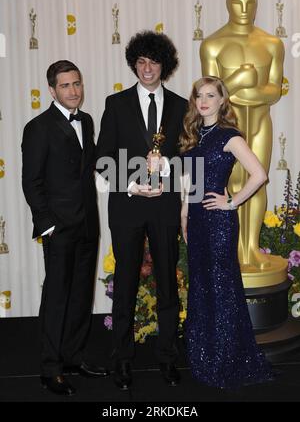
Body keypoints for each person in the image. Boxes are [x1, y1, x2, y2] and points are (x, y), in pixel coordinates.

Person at [96, 31, 187, 390]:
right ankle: (121, 359)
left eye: (154, 61)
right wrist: (131, 183)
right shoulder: (115, 103)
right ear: (134, 63)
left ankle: (168, 358)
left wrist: (165, 166)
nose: (147, 68)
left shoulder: (182, 105)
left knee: (168, 282)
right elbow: (103, 158)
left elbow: (188, 158)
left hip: (164, 207)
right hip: (127, 206)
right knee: (126, 285)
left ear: (165, 65)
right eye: (141, 61)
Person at [22, 60, 109, 396]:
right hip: (59, 228)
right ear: (52, 90)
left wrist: (138, 175)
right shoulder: (38, 127)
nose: (74, 91)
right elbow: (31, 182)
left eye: (77, 83)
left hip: (88, 222)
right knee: (57, 297)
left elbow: (98, 163)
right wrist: (47, 225)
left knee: (81, 294)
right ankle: (51, 367)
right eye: (66, 86)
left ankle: (73, 357)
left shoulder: (86, 121)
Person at [180, 76, 273, 389]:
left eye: (210, 95)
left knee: (222, 288)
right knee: (202, 285)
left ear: (222, 100)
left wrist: (231, 203)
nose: (204, 101)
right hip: (194, 217)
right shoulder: (193, 137)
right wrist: (183, 213)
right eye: (199, 96)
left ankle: (227, 358)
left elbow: (259, 174)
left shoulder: (229, 135)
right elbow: (189, 182)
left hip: (218, 222)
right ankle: (203, 356)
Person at [200, 0, 285, 274]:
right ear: (227, 3)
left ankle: (251, 248)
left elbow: (274, 90)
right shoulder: (212, 44)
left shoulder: (272, 43)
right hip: (227, 127)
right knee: (233, 184)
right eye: (238, 3)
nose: (245, 9)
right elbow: (209, 93)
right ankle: (235, 249)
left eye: (250, 3)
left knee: (257, 182)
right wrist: (239, 78)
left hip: (260, 122)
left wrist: (245, 92)